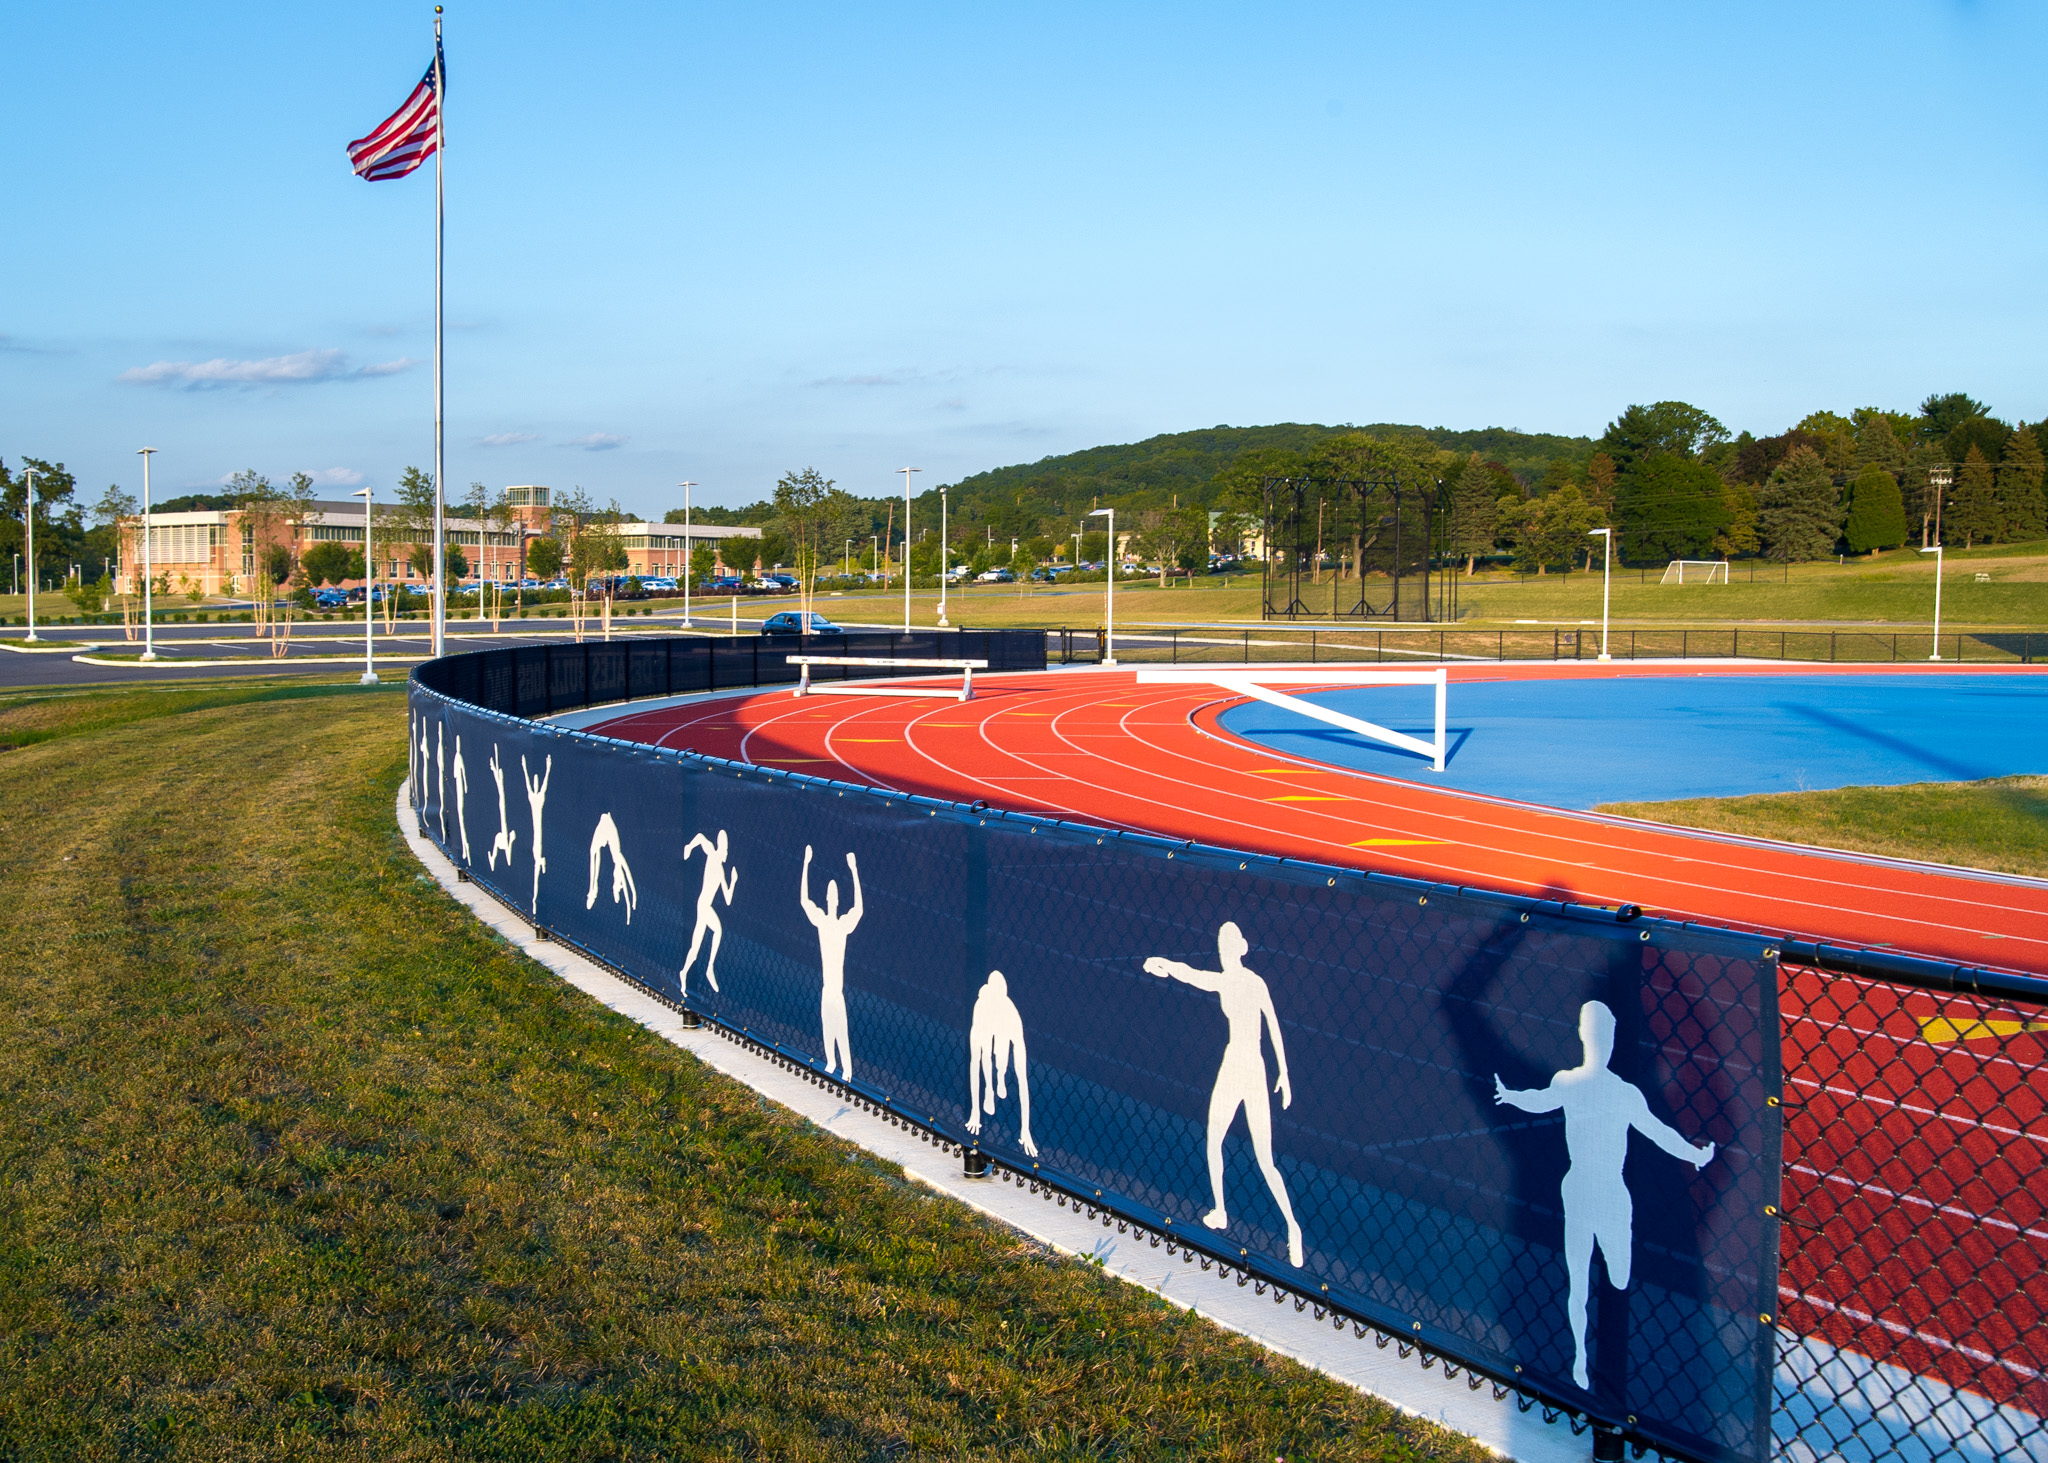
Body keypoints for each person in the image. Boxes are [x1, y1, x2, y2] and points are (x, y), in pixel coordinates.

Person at [1494, 1000, 1716, 1389]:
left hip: (1596, 1188)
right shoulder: (1598, 1087)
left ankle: (1595, 1355)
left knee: (1600, 1276)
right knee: (1597, 1277)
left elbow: (1656, 1132)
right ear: (1594, 1037)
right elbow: (1657, 1132)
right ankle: (1587, 1358)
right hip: (1593, 1186)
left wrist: (1694, 1154)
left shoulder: (1600, 1087)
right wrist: (1512, 1096)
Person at [1144, 921, 1303, 1267]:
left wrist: (1285, 1073)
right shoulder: (1230, 981)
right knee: (1221, 1142)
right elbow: (1190, 973)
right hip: (1241, 1064)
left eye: (1226, 945)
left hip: (1246, 1066)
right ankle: (1222, 1210)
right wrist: (1165, 965)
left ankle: (1290, 1226)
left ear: (1239, 949)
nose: (1223, 950)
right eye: (1221, 945)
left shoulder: (1246, 982)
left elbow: (1273, 1023)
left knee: (1259, 1157)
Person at [799, 845, 863, 1080]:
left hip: (837, 989)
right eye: (829, 896)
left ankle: (846, 1069)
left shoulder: (842, 925)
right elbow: (805, 901)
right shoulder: (822, 922)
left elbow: (859, 909)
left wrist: (854, 871)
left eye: (835, 896)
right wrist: (806, 864)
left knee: (842, 1030)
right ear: (826, 899)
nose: (832, 899)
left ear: (838, 899)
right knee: (828, 1025)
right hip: (828, 988)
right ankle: (831, 1062)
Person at [967, 970, 1037, 1156]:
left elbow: (1022, 1077)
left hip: (1004, 1032)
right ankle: (990, 1088)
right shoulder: (981, 1007)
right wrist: (975, 1111)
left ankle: (1000, 1076)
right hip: (985, 1032)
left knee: (1001, 1056)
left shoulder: (1011, 1015)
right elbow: (974, 1062)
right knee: (984, 1053)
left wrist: (1025, 1129)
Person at [680, 829, 739, 995]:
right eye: (725, 849)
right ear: (720, 848)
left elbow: (727, 899)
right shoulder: (712, 855)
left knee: (696, 946)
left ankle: (684, 972)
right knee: (717, 931)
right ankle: (709, 968)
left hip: (705, 905)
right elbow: (699, 837)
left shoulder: (720, 870)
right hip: (704, 904)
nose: (726, 853)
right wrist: (689, 848)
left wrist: (733, 881)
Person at [584, 812, 636, 922]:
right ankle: (593, 892)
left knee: (612, 857)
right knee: (595, 852)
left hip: (610, 819)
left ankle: (594, 891)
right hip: (606, 818)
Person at [521, 752, 551, 914]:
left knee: (537, 864)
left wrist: (548, 767)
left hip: (539, 839)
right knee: (536, 865)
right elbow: (529, 782)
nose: (536, 781)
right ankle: (536, 899)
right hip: (536, 840)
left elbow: (543, 782)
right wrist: (525, 766)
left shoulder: (537, 796)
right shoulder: (534, 796)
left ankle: (537, 898)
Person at [486, 744, 517, 871]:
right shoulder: (500, 785)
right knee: (500, 837)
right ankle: (493, 858)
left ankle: (495, 857)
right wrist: (493, 767)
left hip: (504, 820)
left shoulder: (506, 786)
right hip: (503, 815)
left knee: (502, 837)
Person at [451, 734, 471, 865]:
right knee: (461, 817)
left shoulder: (457, 758)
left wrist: (465, 786)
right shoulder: (458, 758)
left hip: (459, 791)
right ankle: (464, 848)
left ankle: (465, 849)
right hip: (458, 790)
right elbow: (460, 775)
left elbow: (458, 774)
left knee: (461, 817)